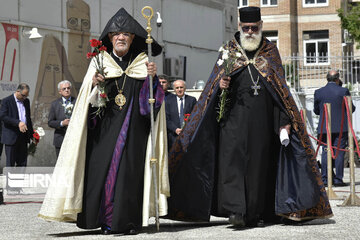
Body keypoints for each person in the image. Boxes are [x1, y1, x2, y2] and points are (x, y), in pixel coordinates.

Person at [167, 6, 332, 227]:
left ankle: (255, 212)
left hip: (262, 125)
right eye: (247, 28)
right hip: (232, 125)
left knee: (258, 168)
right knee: (232, 166)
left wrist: (284, 122)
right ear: (240, 27)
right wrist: (221, 84)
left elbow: (281, 94)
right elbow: (211, 91)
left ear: (261, 26)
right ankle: (237, 211)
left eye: (255, 27)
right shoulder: (229, 51)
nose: (251, 31)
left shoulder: (270, 52)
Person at [39, 8, 169, 235]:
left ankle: (128, 222)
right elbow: (86, 107)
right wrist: (95, 85)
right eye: (117, 34)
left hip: (133, 133)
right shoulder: (100, 63)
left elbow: (152, 104)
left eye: (126, 34)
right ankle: (107, 221)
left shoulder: (142, 64)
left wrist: (152, 80)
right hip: (104, 133)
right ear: (110, 38)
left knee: (130, 176)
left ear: (132, 38)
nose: (121, 38)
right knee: (106, 174)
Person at [314, 70, 355, 187]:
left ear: (327, 78)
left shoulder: (319, 92)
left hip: (324, 127)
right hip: (340, 127)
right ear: (337, 79)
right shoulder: (343, 91)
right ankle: (338, 179)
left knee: (325, 152)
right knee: (339, 152)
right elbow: (350, 108)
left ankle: (325, 179)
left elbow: (316, 111)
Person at [0, 84, 34, 167]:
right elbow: (3, 116)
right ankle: (10, 180)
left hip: (23, 136)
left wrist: (32, 134)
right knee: (10, 164)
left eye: (26, 96)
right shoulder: (6, 101)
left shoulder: (26, 101)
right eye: (23, 95)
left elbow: (28, 118)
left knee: (22, 163)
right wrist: (18, 122)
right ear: (17, 91)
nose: (24, 98)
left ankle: (21, 179)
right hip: (11, 136)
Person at [165, 79, 196, 150]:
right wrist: (175, 129)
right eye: (177, 88)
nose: (179, 89)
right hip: (173, 135)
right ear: (174, 89)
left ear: (185, 88)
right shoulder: (168, 101)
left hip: (188, 135)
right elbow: (166, 119)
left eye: (181, 87)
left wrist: (187, 129)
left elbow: (195, 116)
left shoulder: (192, 100)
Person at [48, 80, 76, 157]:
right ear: (60, 91)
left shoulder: (77, 102)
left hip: (75, 139)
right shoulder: (55, 104)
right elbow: (50, 122)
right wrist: (62, 123)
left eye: (68, 88)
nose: (67, 90)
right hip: (60, 139)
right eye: (64, 89)